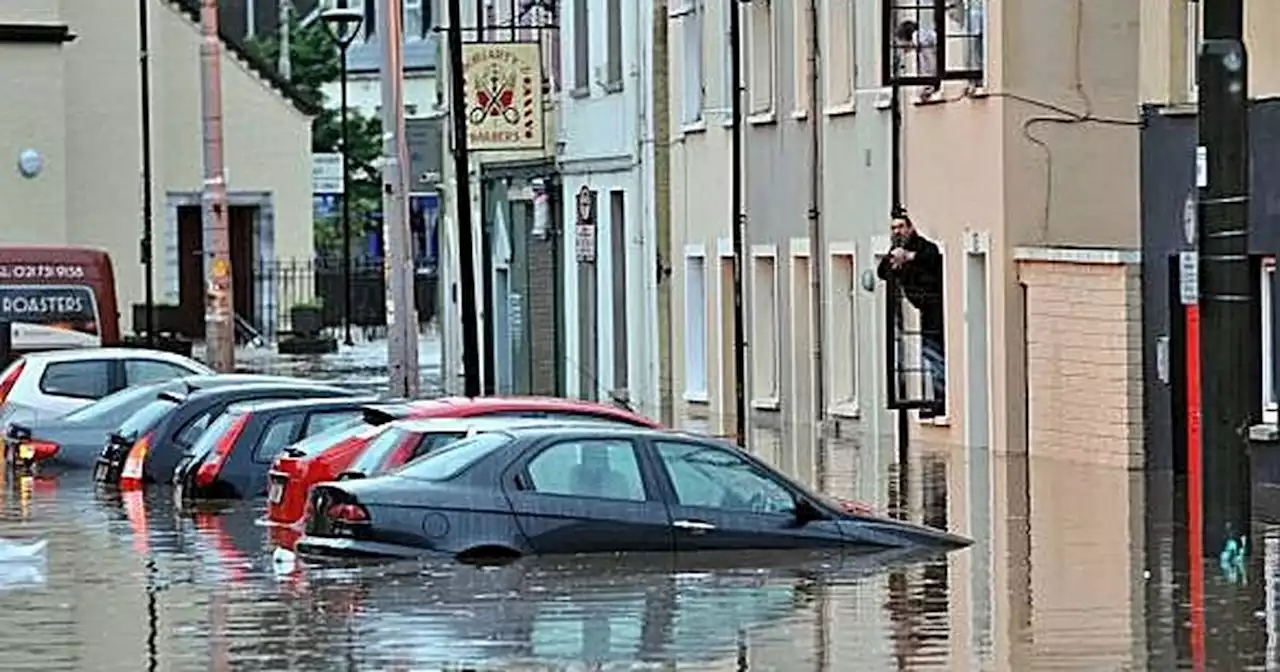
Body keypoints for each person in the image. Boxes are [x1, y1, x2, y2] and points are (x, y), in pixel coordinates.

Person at [877, 211, 946, 417]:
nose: (896, 231)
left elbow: (933, 258)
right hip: (920, 312)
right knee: (928, 355)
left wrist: (909, 257)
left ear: (910, 228)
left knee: (935, 355)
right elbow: (882, 272)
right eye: (893, 228)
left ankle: (939, 401)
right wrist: (894, 260)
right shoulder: (896, 250)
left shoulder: (924, 247)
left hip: (935, 307)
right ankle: (933, 400)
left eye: (900, 227)